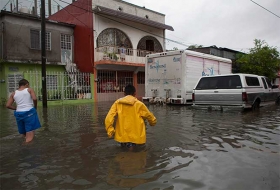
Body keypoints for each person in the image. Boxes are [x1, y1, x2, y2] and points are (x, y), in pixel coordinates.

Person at [105, 84, 157, 150]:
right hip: (136, 135)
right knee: (134, 155)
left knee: (123, 153)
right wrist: (152, 122)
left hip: (122, 136)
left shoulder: (117, 103)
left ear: (124, 93)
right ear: (135, 93)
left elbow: (109, 117)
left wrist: (110, 130)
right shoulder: (139, 104)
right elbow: (149, 115)